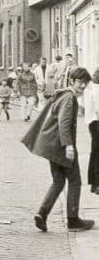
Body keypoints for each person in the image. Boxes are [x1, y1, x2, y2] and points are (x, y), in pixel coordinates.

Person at [24, 66, 95, 233]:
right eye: (79, 82)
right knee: (75, 181)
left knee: (58, 181)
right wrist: (69, 146)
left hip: (53, 147)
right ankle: (73, 220)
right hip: (63, 147)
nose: (82, 86)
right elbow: (64, 123)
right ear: (71, 81)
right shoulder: (69, 98)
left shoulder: (62, 95)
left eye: (85, 83)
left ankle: (42, 213)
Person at [83, 69, 99, 195]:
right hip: (97, 121)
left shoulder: (90, 88)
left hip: (92, 122)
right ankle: (97, 183)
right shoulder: (96, 88)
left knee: (95, 151)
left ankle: (94, 183)